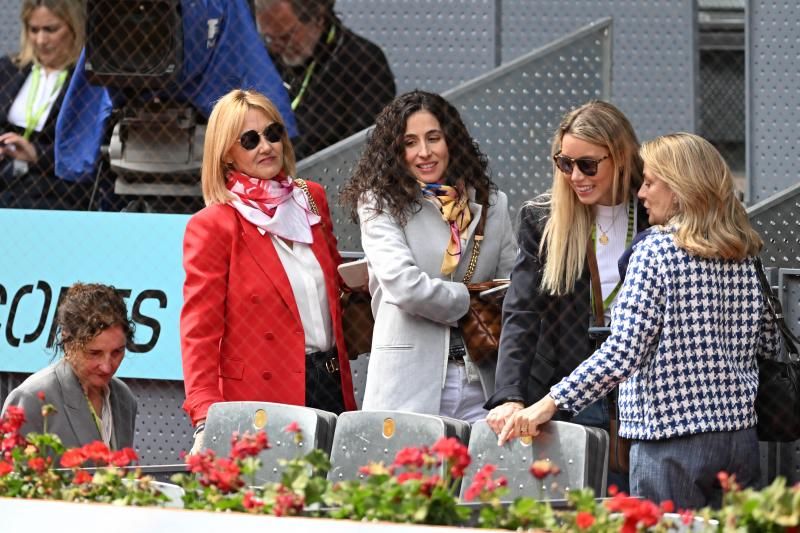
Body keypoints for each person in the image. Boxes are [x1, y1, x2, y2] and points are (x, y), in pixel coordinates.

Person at [493, 132, 775, 508]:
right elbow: (767, 342)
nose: (641, 193)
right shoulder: (744, 254)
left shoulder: (655, 250)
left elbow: (624, 351)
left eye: (650, 182)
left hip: (669, 441)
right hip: (739, 438)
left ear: (679, 188)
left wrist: (549, 403)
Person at [181, 89, 356, 452]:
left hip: (330, 382)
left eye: (273, 133)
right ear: (226, 154)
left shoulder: (312, 198)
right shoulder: (214, 225)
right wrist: (204, 416)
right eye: (250, 140)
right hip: (261, 397)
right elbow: (199, 332)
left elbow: (335, 286)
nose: (266, 146)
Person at [484, 101, 647, 487]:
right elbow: (521, 312)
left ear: (620, 156)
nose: (576, 175)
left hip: (642, 396)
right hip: (568, 392)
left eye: (588, 165)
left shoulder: (652, 208)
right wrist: (509, 394)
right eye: (565, 163)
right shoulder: (544, 217)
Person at [340, 90, 517, 423]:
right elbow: (406, 287)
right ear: (395, 150)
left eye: (433, 138)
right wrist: (470, 299)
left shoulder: (494, 203)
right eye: (410, 142)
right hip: (408, 383)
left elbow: (511, 286)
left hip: (482, 382)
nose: (424, 153)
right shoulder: (379, 204)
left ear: (451, 140)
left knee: (481, 476)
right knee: (409, 476)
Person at [2, 283, 137, 450]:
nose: (107, 367)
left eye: (117, 352)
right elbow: (9, 472)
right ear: (68, 343)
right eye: (94, 353)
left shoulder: (125, 399)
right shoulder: (31, 399)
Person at [254, 0, 396, 160]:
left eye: (286, 36)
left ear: (317, 19)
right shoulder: (265, 62)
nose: (277, 47)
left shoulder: (362, 61)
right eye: (269, 39)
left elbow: (362, 146)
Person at [0, 0, 93, 210]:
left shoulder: (88, 81)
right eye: (34, 30)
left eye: (51, 30)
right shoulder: (7, 70)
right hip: (6, 180)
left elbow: (91, 151)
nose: (41, 40)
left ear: (74, 27)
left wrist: (37, 155)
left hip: (54, 190)